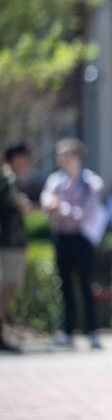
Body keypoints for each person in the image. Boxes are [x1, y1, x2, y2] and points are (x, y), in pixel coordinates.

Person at [41, 138, 105, 349]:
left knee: (86, 285)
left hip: (82, 239)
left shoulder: (91, 183)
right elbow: (46, 203)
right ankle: (67, 331)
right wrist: (61, 208)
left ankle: (92, 331)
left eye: (67, 155)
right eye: (61, 156)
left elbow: (85, 215)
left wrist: (63, 208)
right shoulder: (55, 181)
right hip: (62, 237)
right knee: (65, 285)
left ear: (78, 157)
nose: (63, 160)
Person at [0, 142, 32, 353]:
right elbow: (17, 204)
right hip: (9, 241)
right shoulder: (8, 178)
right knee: (8, 285)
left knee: (9, 286)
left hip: (10, 240)